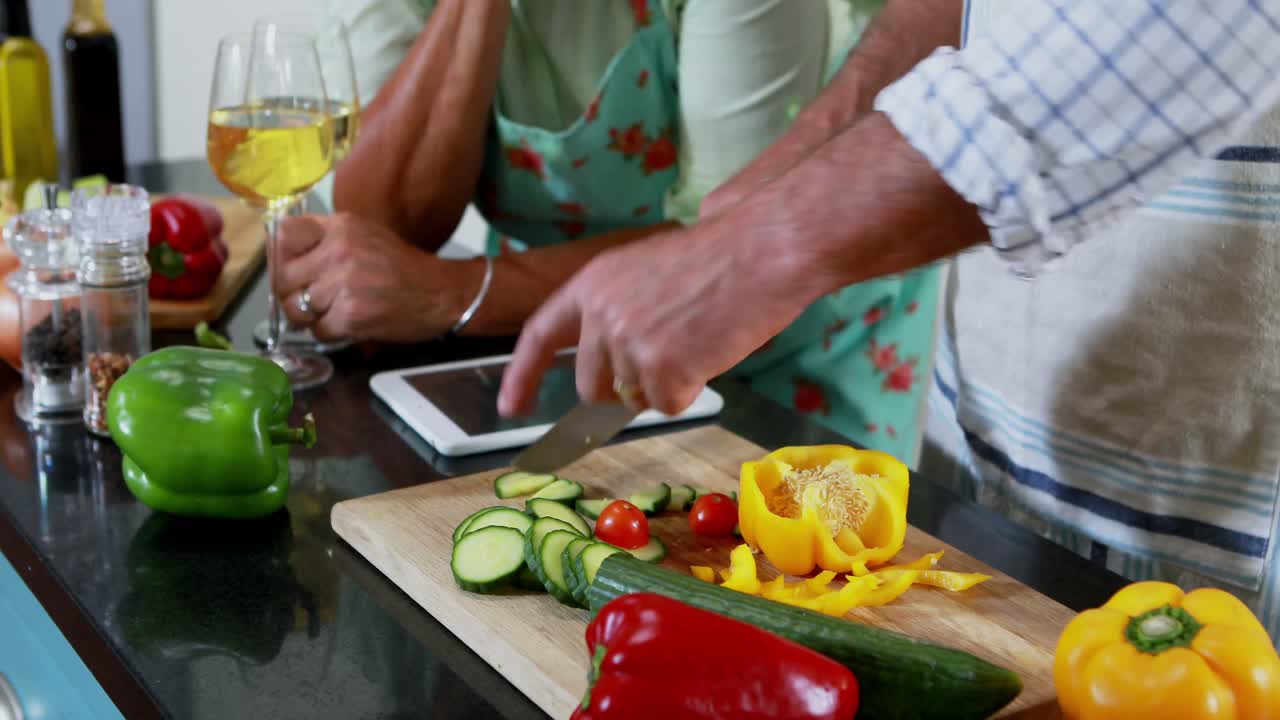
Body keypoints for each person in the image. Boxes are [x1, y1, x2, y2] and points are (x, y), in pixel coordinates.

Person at [497, 0, 1280, 641]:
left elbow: (1183, 21)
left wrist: (760, 247)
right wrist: (783, 180)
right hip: (991, 450)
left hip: (1232, 502)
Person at [277, 0, 943, 462]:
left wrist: (452, 294)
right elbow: (383, 227)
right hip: (538, 347)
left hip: (782, 353)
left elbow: (728, 241)